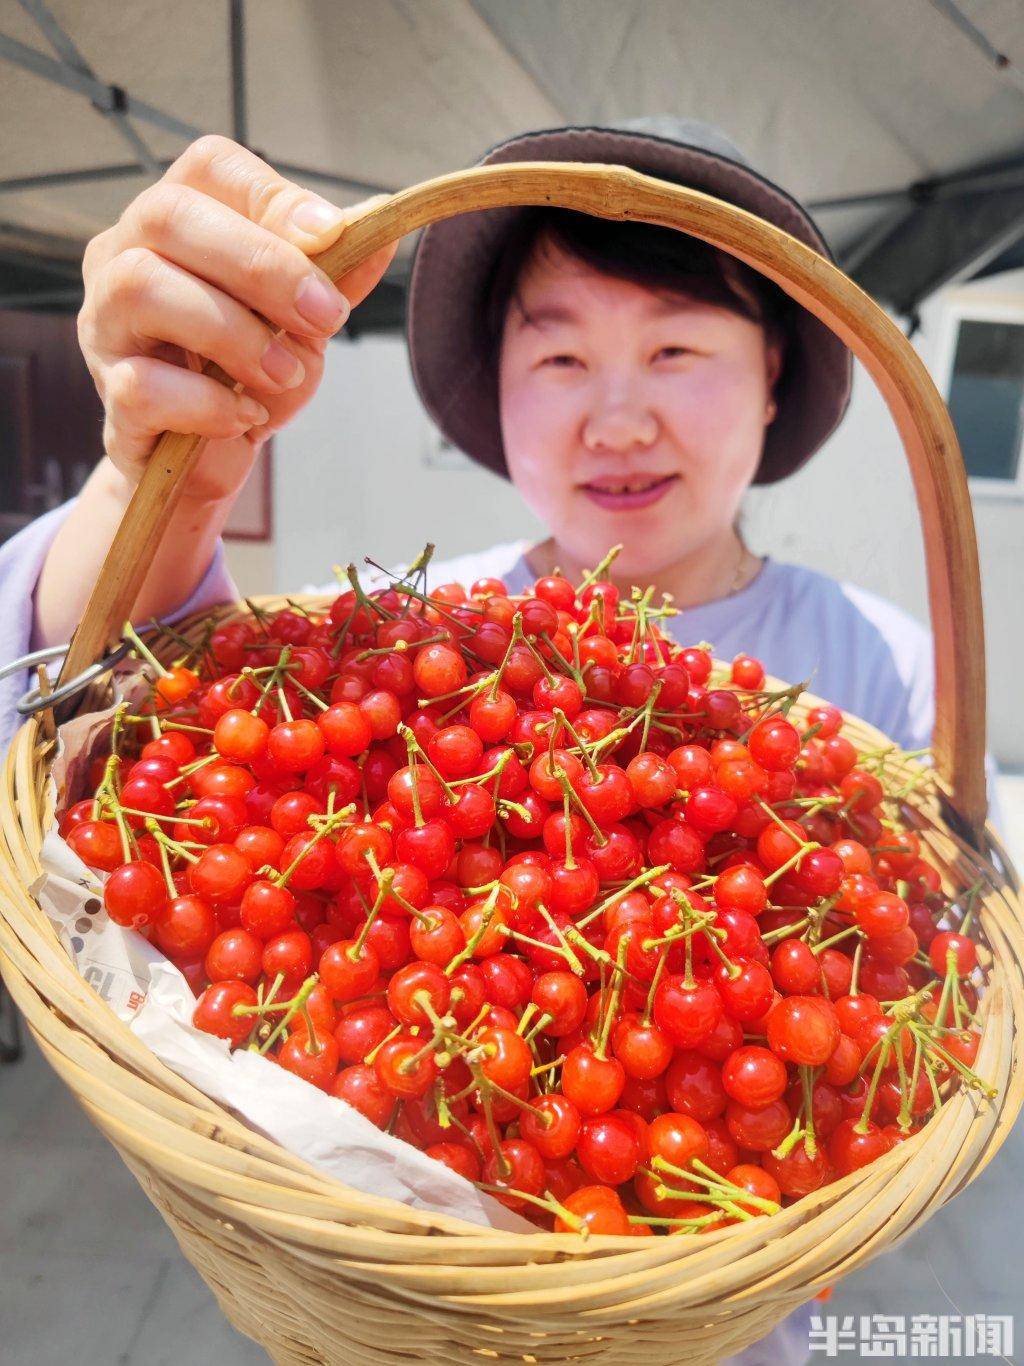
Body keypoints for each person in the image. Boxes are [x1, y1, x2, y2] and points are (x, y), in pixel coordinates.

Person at [0, 118, 942, 1365]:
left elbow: (924, 939)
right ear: (492, 389)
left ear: (775, 372)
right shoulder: (419, 636)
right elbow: (132, 698)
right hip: (395, 1295)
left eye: (675, 347)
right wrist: (150, 488)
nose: (617, 416)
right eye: (558, 356)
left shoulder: (877, 663)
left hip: (715, 1314)